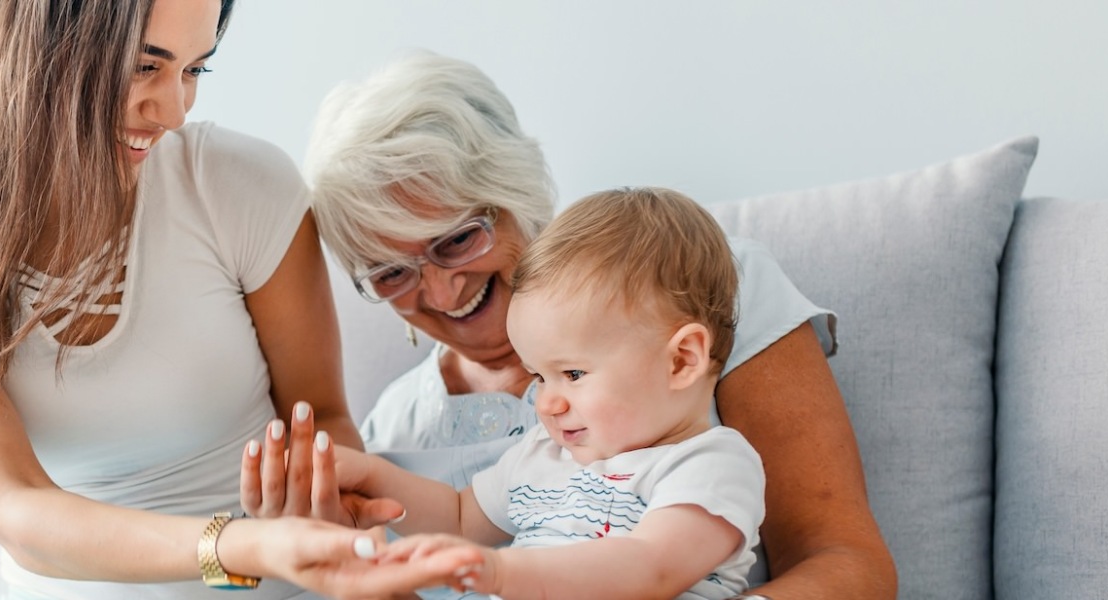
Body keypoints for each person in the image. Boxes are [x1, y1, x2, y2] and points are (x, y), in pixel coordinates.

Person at [242, 52, 897, 598]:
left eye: (458, 239)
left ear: (517, 195)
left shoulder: (697, 294)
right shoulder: (398, 426)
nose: (440, 290)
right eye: (392, 273)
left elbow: (846, 563)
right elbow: (460, 527)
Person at [0, 0, 414, 597]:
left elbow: (325, 417)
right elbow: (16, 512)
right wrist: (241, 547)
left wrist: (320, 501)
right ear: (24, 55)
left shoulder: (239, 185)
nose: (175, 113)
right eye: (141, 66)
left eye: (194, 70)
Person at [300, 187, 767, 599]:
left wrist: (502, 571)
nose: (546, 403)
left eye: (574, 374)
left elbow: (650, 567)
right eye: (539, 377)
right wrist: (370, 475)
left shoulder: (711, 465)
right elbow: (459, 516)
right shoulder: (543, 454)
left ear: (682, 360)